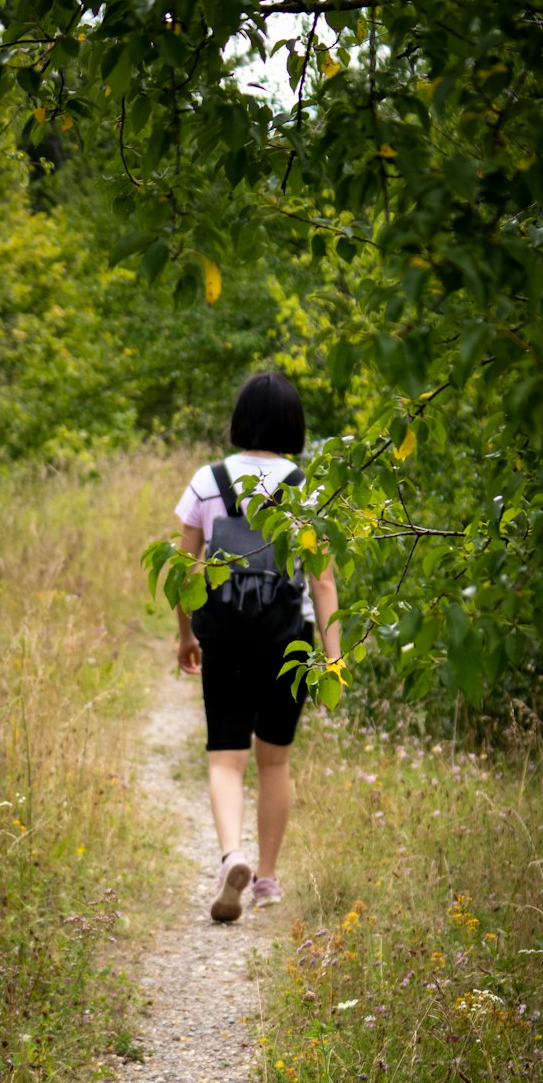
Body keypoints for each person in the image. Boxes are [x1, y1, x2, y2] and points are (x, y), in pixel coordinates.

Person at [173, 371, 341, 922]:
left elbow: (184, 569)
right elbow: (323, 581)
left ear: (240, 419)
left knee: (226, 758)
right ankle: (266, 879)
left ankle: (231, 857)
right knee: (274, 761)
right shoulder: (306, 488)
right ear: (294, 423)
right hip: (288, 637)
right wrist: (333, 657)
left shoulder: (208, 479)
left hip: (223, 635)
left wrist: (187, 635)